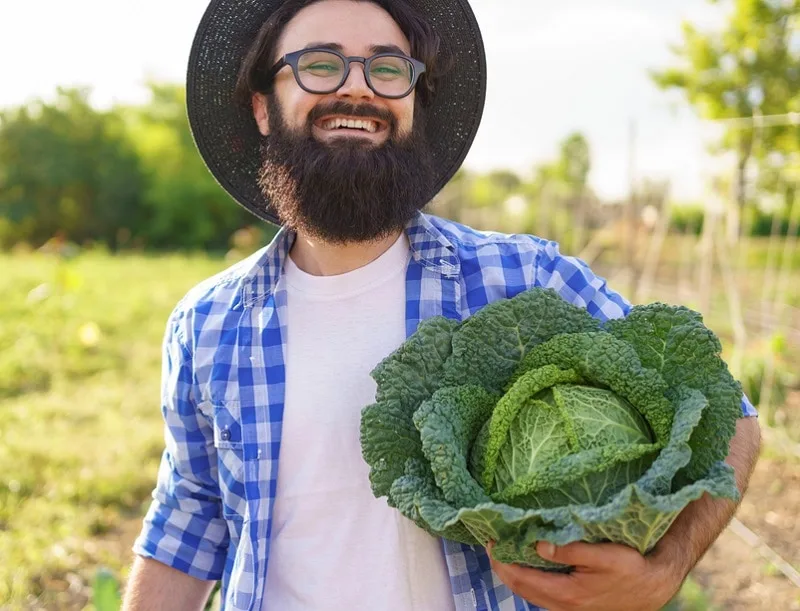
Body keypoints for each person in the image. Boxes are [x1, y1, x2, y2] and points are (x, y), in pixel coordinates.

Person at [122, 0, 761, 609]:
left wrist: (663, 572)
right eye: (320, 64)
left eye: (388, 68)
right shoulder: (206, 324)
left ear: (414, 104)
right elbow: (188, 518)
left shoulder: (526, 279)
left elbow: (729, 416)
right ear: (263, 107)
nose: (358, 88)